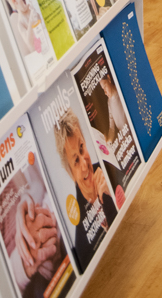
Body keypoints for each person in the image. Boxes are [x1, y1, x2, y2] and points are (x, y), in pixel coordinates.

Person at [51, 109, 117, 266]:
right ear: (70, 172)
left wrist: (113, 194)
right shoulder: (81, 240)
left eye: (81, 148)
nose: (84, 165)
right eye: (75, 161)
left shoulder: (108, 166)